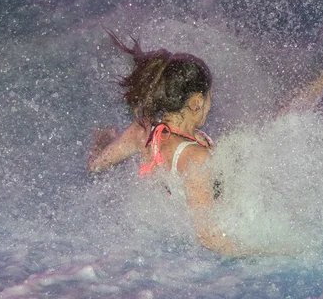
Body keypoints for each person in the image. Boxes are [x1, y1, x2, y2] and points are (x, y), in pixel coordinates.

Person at [88, 31, 238, 255]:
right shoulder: (195, 156)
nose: (210, 104)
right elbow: (206, 235)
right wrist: (260, 253)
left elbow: (95, 165)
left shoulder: (142, 131)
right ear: (196, 102)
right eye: (209, 97)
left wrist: (101, 143)